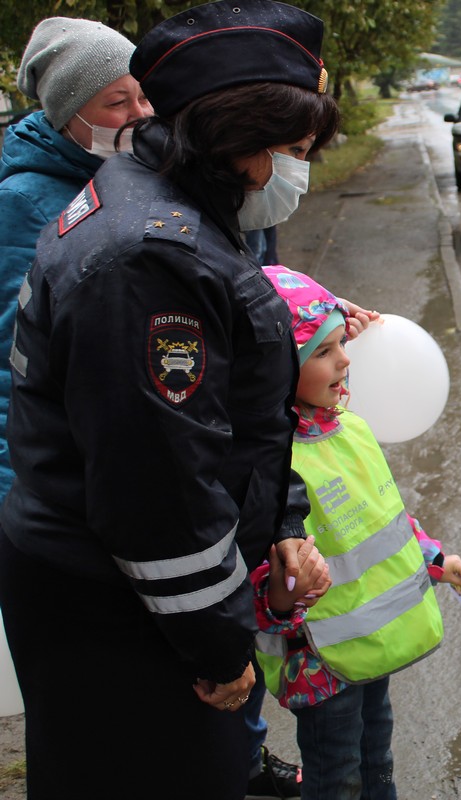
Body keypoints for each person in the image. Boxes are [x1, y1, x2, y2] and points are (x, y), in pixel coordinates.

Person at [0, 2, 342, 798]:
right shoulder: (151, 259)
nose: (298, 171)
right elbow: (156, 491)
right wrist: (219, 651)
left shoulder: (167, 207)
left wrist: (282, 520)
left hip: (122, 591)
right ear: (235, 141)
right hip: (117, 610)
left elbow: (230, 418)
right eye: (291, 151)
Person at [255, 266, 461, 800]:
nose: (346, 360)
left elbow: (387, 516)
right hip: (319, 662)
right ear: (280, 368)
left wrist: (434, 557)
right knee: (337, 776)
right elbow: (264, 581)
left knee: (377, 759)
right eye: (324, 352)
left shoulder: (349, 427)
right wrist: (285, 592)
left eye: (341, 345)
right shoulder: (271, 461)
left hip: (372, 646)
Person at [0, 18, 151, 503]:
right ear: (68, 114)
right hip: (61, 468)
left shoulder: (127, 176)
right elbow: (12, 357)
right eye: (116, 102)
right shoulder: (23, 203)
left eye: (144, 97)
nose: (140, 115)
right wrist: (17, 489)